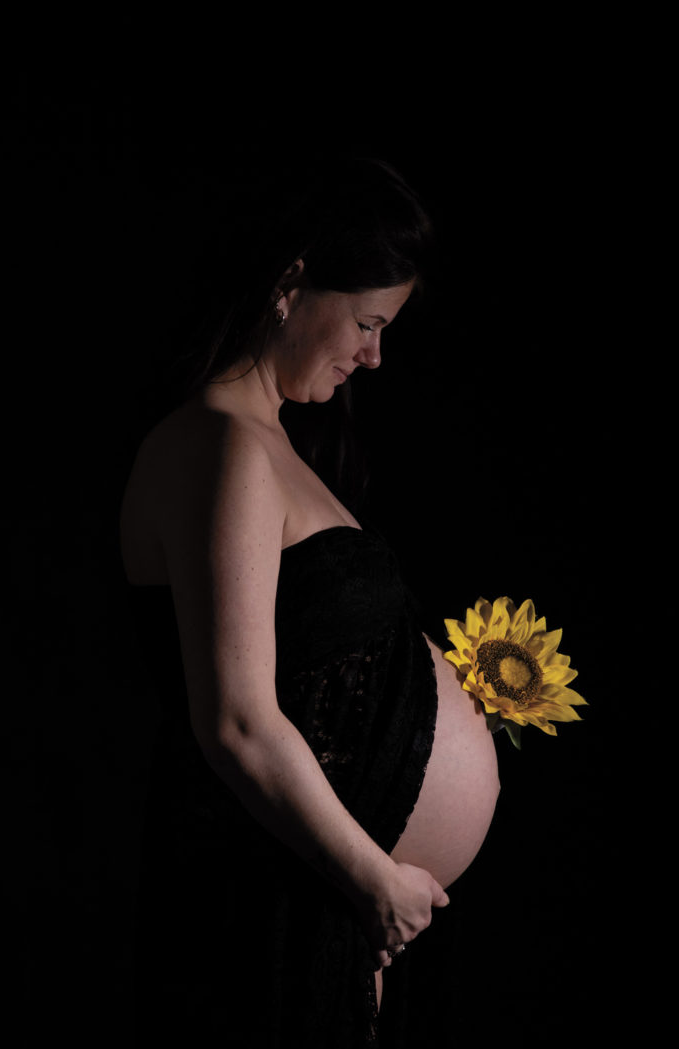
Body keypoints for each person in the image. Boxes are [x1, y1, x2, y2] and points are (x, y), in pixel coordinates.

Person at [120, 156, 499, 1047]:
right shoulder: (222, 444)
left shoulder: (268, 445)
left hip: (319, 904)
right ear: (292, 281)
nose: (374, 355)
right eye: (368, 321)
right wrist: (375, 879)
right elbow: (240, 722)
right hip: (270, 909)